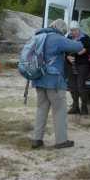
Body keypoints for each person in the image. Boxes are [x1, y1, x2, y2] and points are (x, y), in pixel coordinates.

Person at [31, 19, 84, 149]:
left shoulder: (38, 36)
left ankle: (37, 139)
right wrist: (75, 37)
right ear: (61, 30)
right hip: (54, 81)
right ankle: (61, 141)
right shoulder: (57, 38)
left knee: (41, 109)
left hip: (38, 78)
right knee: (59, 110)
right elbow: (78, 47)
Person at [66, 21, 90, 115]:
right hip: (71, 64)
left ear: (79, 29)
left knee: (80, 85)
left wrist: (85, 50)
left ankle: (84, 107)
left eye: (74, 30)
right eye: (71, 30)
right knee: (72, 86)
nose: (73, 32)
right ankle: (75, 106)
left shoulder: (85, 38)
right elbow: (63, 50)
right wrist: (67, 57)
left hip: (82, 64)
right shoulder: (68, 37)